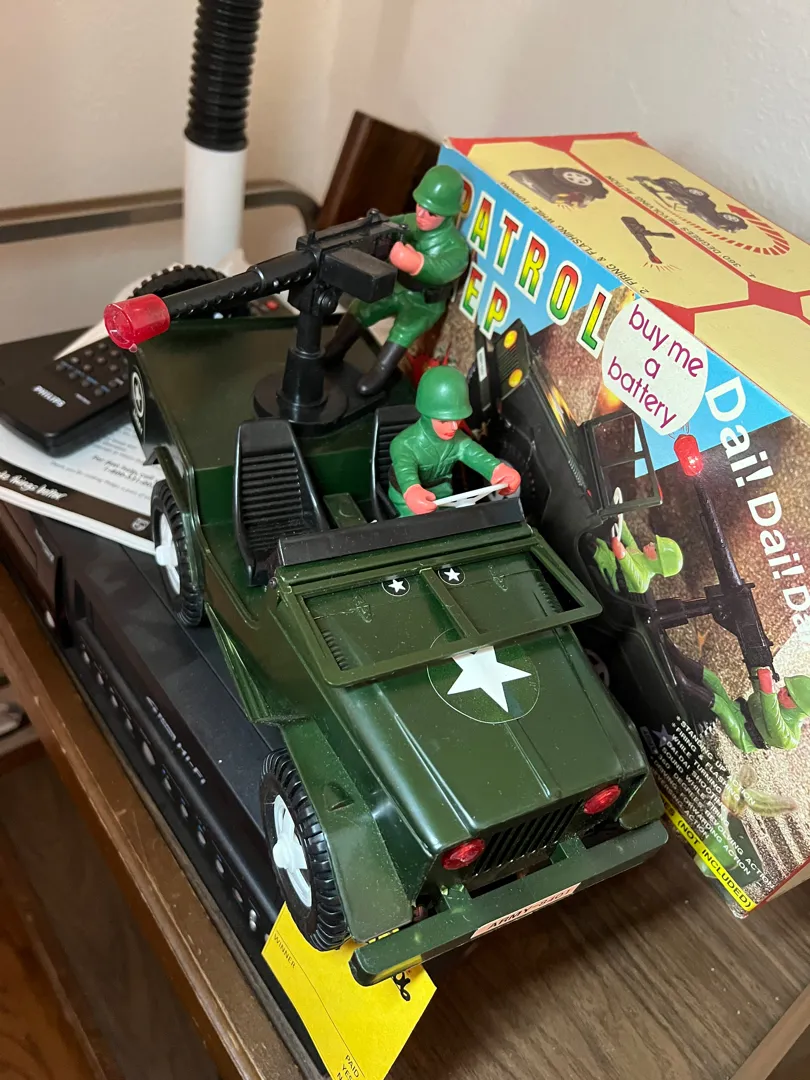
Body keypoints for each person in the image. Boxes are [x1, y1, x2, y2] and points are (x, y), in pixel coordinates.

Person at [325, 165, 471, 396]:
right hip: (396, 287)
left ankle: (380, 371)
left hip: (424, 303)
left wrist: (415, 262)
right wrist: (369, 229)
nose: (421, 215)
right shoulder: (411, 220)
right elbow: (388, 226)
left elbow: (442, 270)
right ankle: (335, 347)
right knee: (362, 307)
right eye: (420, 206)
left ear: (448, 214)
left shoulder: (456, 247)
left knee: (402, 332)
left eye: (431, 213)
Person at [388, 366, 520, 516]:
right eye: (444, 421)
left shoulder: (458, 440)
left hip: (444, 495)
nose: (454, 427)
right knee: (420, 525)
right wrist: (412, 491)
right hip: (406, 500)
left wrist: (498, 470)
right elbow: (405, 472)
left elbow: (476, 454)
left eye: (457, 419)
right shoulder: (404, 445)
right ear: (427, 415)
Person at [593, 521, 683, 594]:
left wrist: (620, 551)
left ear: (658, 563)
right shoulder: (639, 554)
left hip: (603, 569)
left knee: (590, 545)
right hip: (607, 553)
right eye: (654, 543)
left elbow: (628, 565)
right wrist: (620, 521)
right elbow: (629, 540)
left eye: (655, 549)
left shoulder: (642, 583)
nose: (651, 544)